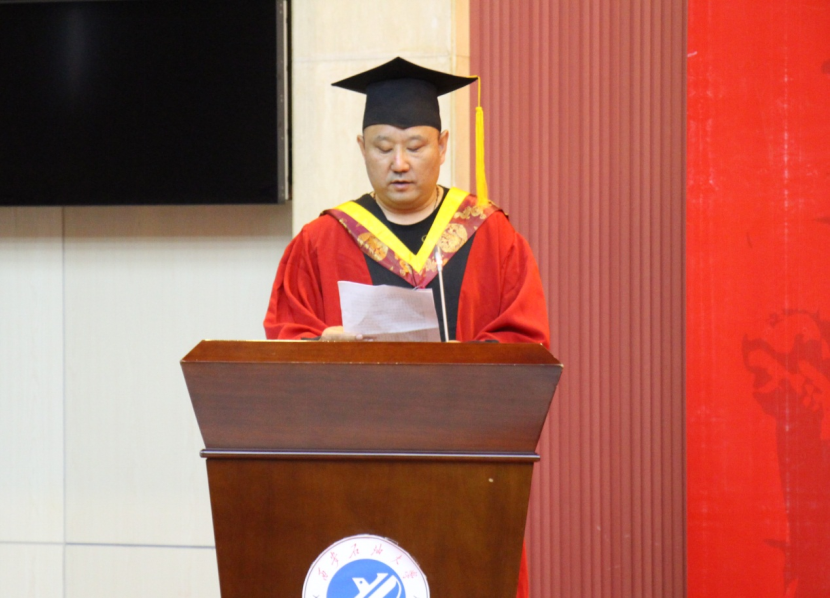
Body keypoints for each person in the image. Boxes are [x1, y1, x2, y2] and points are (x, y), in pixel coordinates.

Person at [263, 57, 549, 598]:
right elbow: (285, 340)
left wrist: (459, 364)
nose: (399, 163)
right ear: (361, 147)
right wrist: (323, 348)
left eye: (416, 146)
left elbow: (525, 348)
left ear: (443, 145)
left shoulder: (492, 237)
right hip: (353, 471)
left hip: (464, 470)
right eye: (382, 146)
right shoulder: (321, 241)